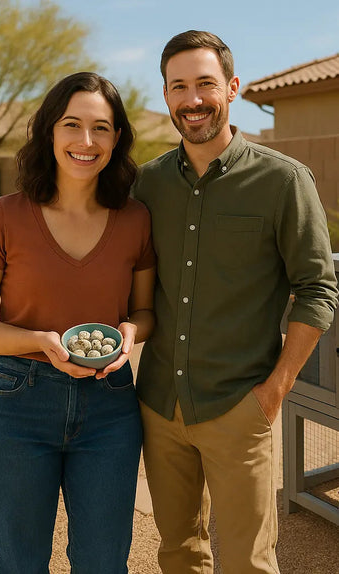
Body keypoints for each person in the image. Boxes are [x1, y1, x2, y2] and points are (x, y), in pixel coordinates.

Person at [133, 30, 338, 574]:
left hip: (239, 407)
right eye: (179, 87)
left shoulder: (283, 181)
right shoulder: (147, 185)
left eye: (205, 83)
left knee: (248, 562)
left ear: (233, 88)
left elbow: (318, 289)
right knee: (177, 553)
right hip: (158, 404)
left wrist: (276, 391)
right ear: (166, 96)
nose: (192, 99)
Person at [0, 71, 156, 574]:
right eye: (72, 124)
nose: (86, 141)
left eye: (102, 128)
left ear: (117, 138)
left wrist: (132, 333)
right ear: (49, 131)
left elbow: (144, 312)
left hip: (110, 408)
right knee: (21, 562)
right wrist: (38, 342)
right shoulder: (0, 218)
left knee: (104, 562)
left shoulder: (135, 219)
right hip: (17, 405)